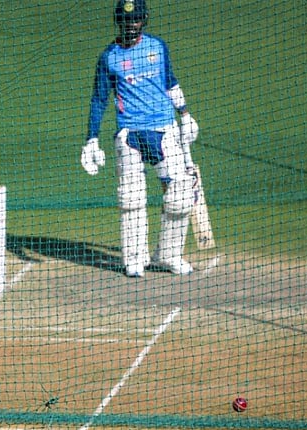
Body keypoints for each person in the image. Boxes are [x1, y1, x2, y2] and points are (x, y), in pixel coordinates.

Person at [80, 0, 200, 277]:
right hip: (130, 133)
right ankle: (134, 258)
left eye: (135, 20)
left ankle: (168, 255)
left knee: (180, 196)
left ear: (143, 21)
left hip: (165, 129)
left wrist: (185, 114)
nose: (130, 25)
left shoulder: (157, 47)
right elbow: (99, 99)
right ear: (118, 22)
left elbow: (170, 81)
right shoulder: (109, 57)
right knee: (131, 198)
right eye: (125, 20)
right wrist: (91, 139)